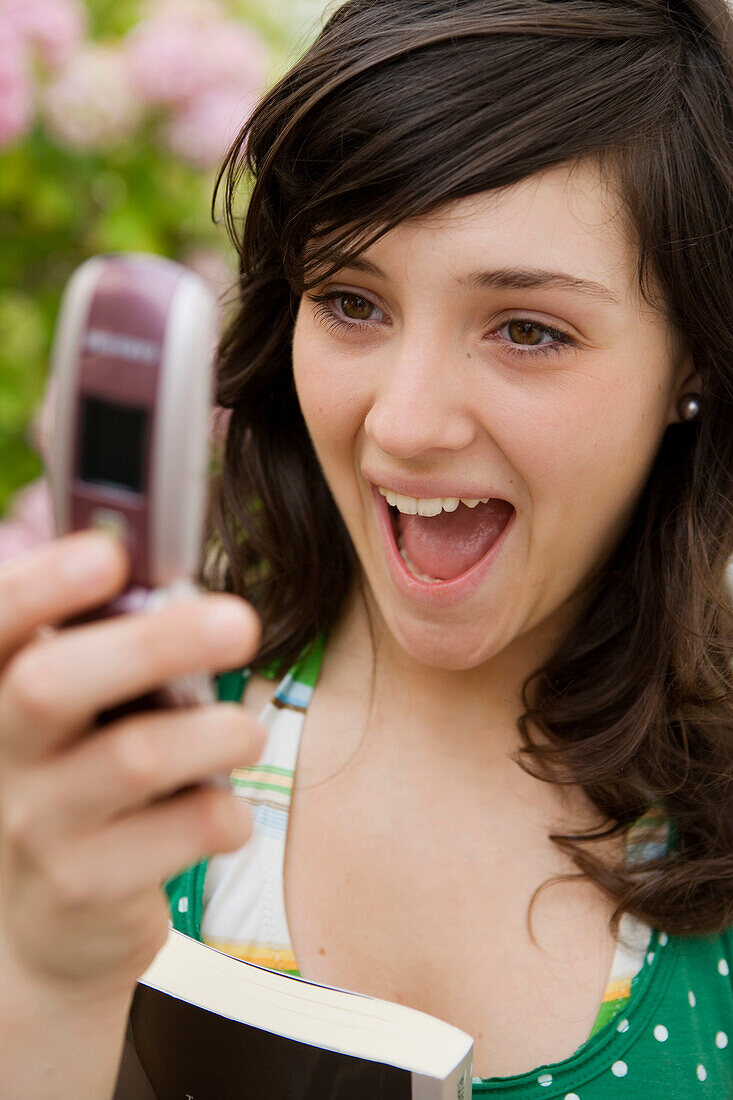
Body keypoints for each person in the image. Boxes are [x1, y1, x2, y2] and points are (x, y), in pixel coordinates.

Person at [0, 0, 731, 1095]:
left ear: (693, 360)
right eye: (350, 300)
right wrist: (45, 980)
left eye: (526, 328)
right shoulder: (124, 760)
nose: (403, 422)